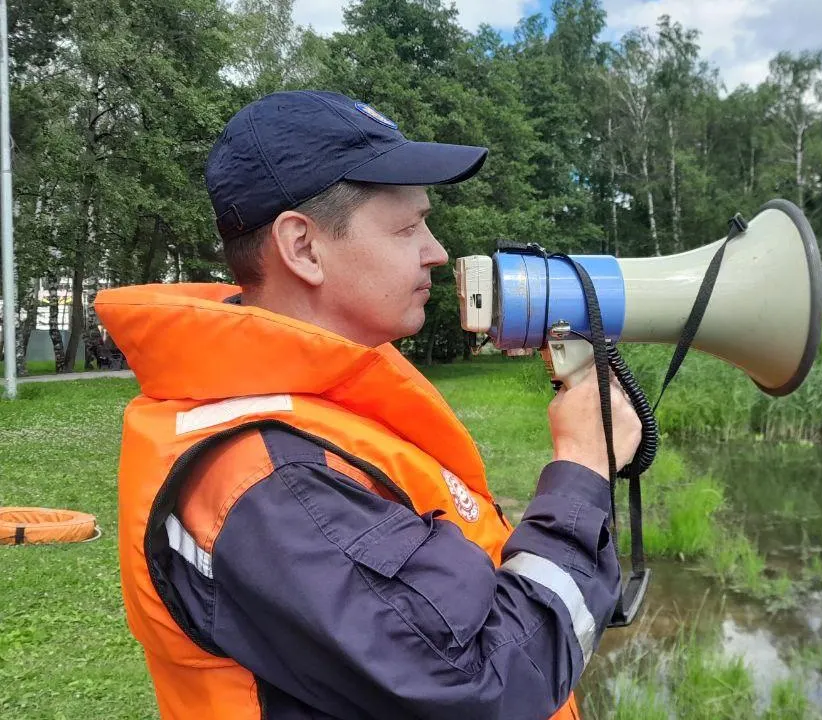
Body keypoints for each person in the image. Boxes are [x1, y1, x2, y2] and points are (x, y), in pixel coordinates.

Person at [95, 90, 642, 720]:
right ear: (303, 247)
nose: (436, 251)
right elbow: (489, 686)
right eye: (408, 228)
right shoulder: (270, 484)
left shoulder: (315, 406)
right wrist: (583, 469)